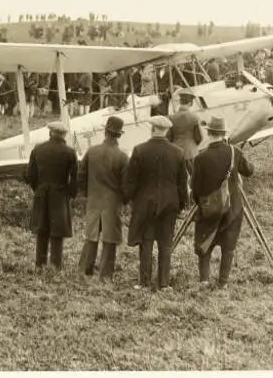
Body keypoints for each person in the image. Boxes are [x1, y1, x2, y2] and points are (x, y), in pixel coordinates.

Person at [124, 115, 188, 291]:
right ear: (166, 131)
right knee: (165, 244)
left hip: (145, 205)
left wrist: (127, 200)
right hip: (169, 205)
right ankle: (164, 283)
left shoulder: (139, 150)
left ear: (152, 129)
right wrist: (182, 205)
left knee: (146, 243)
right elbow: (182, 184)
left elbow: (130, 181)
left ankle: (144, 282)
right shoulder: (178, 152)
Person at [191, 116, 254, 288]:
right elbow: (249, 171)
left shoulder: (200, 158)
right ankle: (223, 283)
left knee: (205, 243)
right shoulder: (234, 152)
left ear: (209, 133)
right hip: (232, 209)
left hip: (208, 209)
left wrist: (200, 203)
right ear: (223, 134)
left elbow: (195, 188)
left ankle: (204, 280)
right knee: (229, 246)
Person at [77, 116, 129, 279]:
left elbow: (81, 176)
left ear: (105, 131)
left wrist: (87, 194)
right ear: (119, 135)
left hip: (93, 200)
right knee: (110, 240)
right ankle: (105, 275)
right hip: (113, 204)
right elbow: (126, 185)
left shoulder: (91, 151)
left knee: (91, 237)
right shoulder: (122, 157)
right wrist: (123, 201)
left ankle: (85, 271)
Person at [25, 121, 78, 271]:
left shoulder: (38, 149)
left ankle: (39, 265)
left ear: (50, 133)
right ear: (64, 135)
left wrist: (38, 189)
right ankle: (55, 266)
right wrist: (70, 194)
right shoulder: (70, 152)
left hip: (42, 193)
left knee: (42, 230)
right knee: (57, 232)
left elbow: (30, 175)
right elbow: (74, 178)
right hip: (60, 195)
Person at [167, 92, 204, 177]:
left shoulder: (171, 118)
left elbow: (169, 137)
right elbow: (199, 138)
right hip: (191, 152)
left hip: (175, 152)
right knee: (194, 179)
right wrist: (193, 145)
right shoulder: (194, 117)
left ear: (180, 102)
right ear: (190, 103)